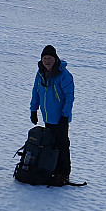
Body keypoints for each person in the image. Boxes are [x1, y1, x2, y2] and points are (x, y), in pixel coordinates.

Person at [29, 44, 74, 184]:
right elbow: (36, 92)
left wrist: (65, 115)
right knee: (50, 145)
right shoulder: (40, 73)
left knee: (62, 145)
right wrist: (33, 110)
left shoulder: (64, 75)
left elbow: (69, 97)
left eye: (49, 58)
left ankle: (64, 173)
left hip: (60, 118)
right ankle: (53, 169)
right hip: (47, 117)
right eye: (44, 58)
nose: (46, 61)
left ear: (55, 59)